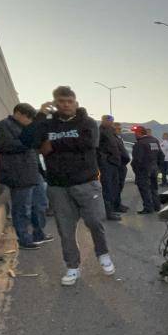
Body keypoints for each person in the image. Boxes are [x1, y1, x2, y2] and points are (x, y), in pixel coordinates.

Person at [35, 86, 115, 286]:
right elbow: (31, 140)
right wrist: (40, 115)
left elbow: (89, 143)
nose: (66, 105)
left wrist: (53, 146)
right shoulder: (47, 125)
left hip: (86, 183)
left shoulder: (87, 123)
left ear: (75, 103)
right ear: (55, 103)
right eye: (61, 101)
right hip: (58, 186)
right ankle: (72, 267)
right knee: (65, 230)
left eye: (69, 101)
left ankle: (103, 253)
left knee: (95, 221)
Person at [0, 103, 52, 250]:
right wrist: (29, 142)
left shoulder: (25, 128)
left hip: (33, 173)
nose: (30, 120)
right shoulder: (3, 126)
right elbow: (6, 146)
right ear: (18, 113)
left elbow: (34, 148)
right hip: (17, 174)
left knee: (40, 204)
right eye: (29, 117)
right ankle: (24, 239)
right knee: (22, 209)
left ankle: (38, 233)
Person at [131, 126, 163, 214]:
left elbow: (137, 160)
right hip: (154, 168)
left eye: (135, 133)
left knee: (144, 189)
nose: (135, 134)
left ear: (139, 133)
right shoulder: (155, 141)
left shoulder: (139, 144)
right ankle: (157, 206)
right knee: (154, 187)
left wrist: (136, 170)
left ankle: (148, 207)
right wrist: (158, 167)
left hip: (143, 170)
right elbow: (161, 155)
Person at [97, 115, 122, 221]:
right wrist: (104, 159)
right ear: (103, 121)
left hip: (114, 164)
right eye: (109, 120)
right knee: (107, 188)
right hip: (106, 164)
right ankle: (108, 212)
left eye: (112, 120)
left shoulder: (110, 132)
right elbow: (96, 147)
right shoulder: (100, 132)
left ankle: (113, 208)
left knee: (114, 187)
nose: (112, 122)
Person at [112, 122, 130, 213]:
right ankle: (115, 206)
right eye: (117, 129)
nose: (119, 130)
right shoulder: (112, 139)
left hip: (122, 166)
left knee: (120, 186)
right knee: (116, 187)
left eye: (120, 129)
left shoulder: (119, 138)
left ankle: (118, 204)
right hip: (117, 166)